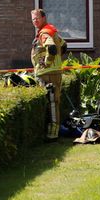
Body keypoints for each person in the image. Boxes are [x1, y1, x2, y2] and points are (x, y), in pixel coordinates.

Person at [30, 8, 67, 139]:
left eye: (37, 18)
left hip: (48, 73)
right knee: (55, 102)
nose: (35, 21)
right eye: (33, 19)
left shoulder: (44, 33)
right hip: (54, 72)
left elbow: (51, 48)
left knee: (51, 103)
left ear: (44, 18)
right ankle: (54, 131)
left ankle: (52, 135)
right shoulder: (52, 31)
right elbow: (64, 46)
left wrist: (47, 62)